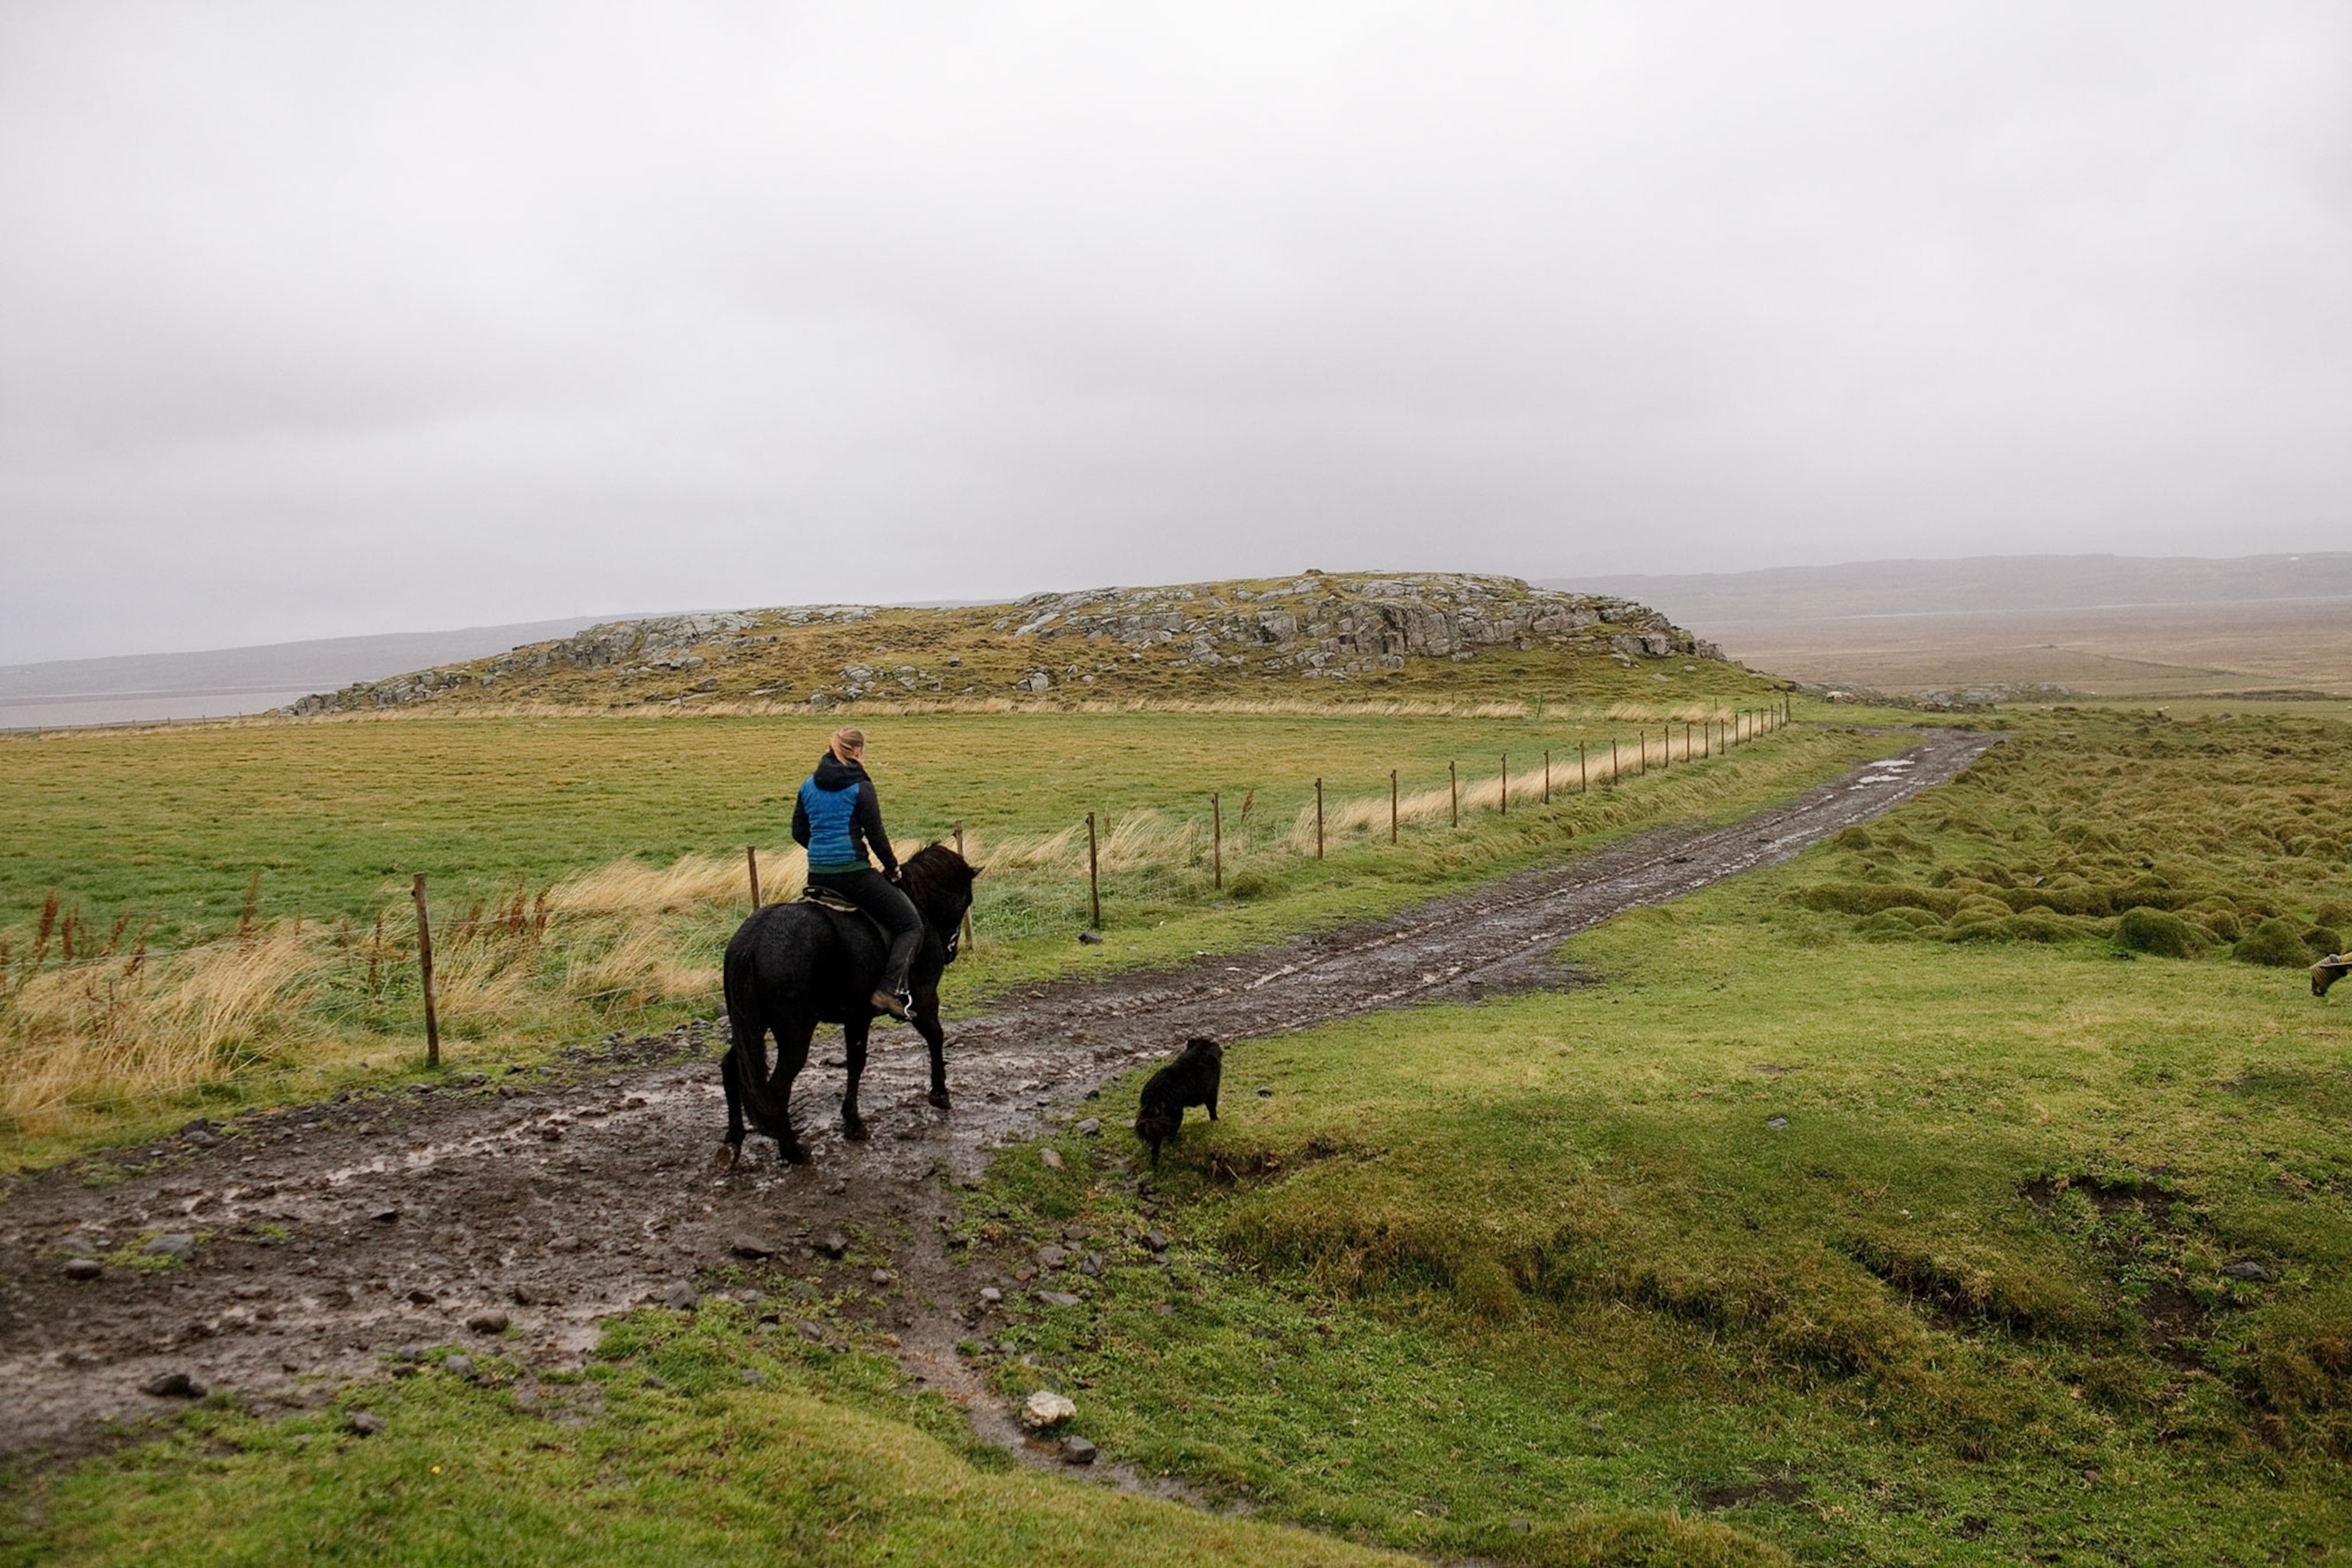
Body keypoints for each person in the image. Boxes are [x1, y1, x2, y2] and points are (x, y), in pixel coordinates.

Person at [793, 726, 924, 1021]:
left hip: (817, 875)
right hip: (853, 874)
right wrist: (892, 867)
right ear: (859, 751)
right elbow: (876, 835)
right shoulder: (860, 786)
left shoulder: (808, 785)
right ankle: (888, 990)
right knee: (909, 925)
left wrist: (821, 850)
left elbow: (798, 831)